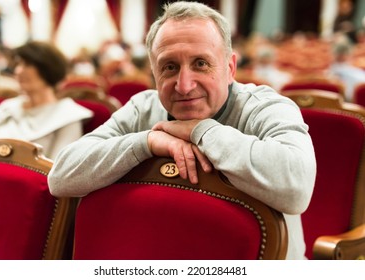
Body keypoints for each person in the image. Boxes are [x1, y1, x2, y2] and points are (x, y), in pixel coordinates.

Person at [48, 1, 316, 259]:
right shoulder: (143, 108)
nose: (184, 85)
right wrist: (147, 142)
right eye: (170, 67)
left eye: (201, 63)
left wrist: (201, 130)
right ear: (154, 73)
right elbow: (61, 177)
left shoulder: (266, 107)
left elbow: (297, 189)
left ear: (230, 68)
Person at [0, 41, 93, 159]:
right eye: (18, 64)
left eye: (27, 65)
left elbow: (59, 169)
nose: (18, 71)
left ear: (48, 69)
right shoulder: (6, 109)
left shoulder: (68, 115)